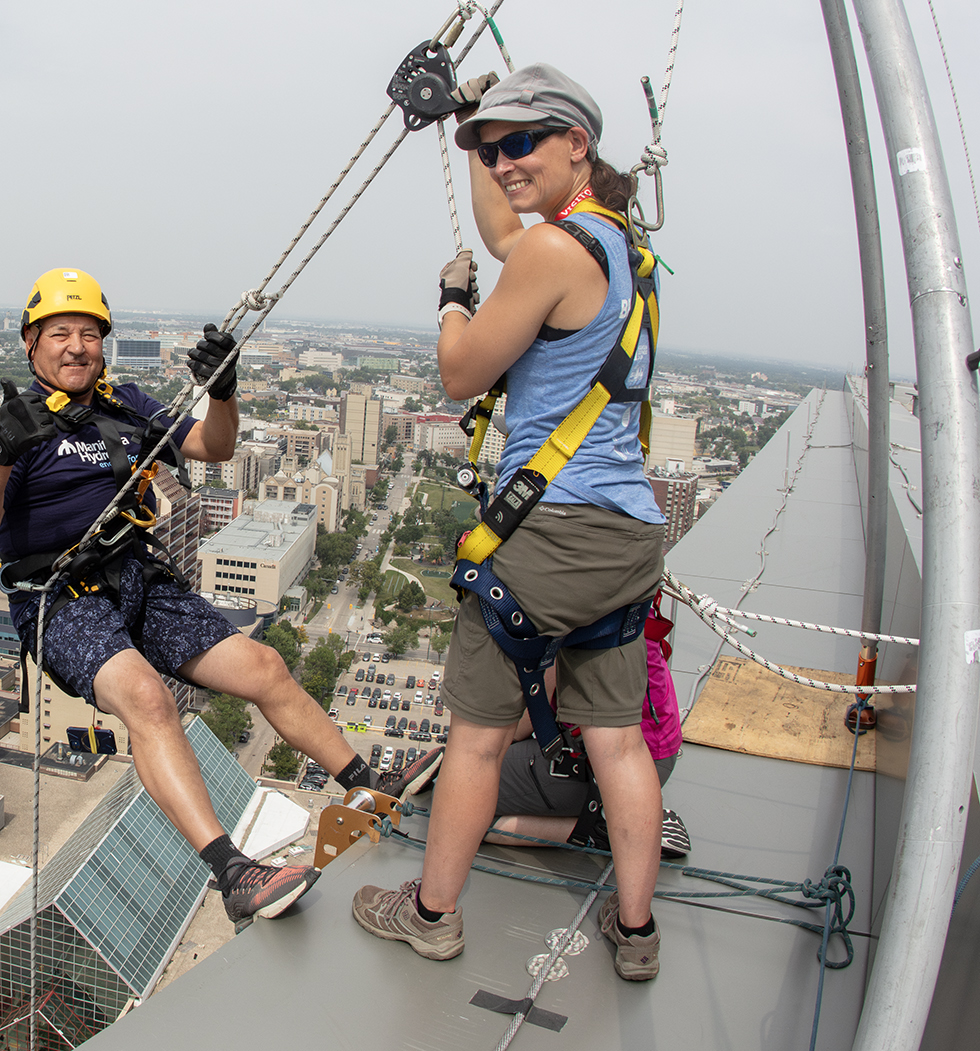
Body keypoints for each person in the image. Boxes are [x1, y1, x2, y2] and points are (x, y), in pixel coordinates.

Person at [0, 268, 439, 931]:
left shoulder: (125, 402)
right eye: (60, 333)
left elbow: (215, 444)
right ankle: (233, 872)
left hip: (138, 578)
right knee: (149, 698)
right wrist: (2, 453)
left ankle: (365, 780)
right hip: (61, 601)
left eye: (89, 333)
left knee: (263, 667)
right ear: (31, 345)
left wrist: (226, 392)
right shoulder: (15, 427)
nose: (76, 346)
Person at [351, 65, 669, 980]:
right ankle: (637, 930)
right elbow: (507, 227)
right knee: (615, 737)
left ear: (579, 144)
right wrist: (475, 123)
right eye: (493, 150)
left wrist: (452, 302)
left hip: (546, 535)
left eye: (521, 142)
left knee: (478, 737)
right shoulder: (620, 249)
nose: (502, 162)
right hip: (624, 533)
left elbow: (461, 373)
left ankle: (433, 912)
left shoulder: (550, 254)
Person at [485, 607, 691, 859]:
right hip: (651, 758)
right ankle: (624, 816)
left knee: (461, 804)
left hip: (612, 769)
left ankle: (606, 829)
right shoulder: (625, 591)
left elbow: (527, 720)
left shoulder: (572, 608)